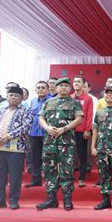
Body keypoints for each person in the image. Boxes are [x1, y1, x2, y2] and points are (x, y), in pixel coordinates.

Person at [36, 77, 83, 211]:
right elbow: (41, 117)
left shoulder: (74, 103)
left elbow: (79, 119)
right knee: (49, 169)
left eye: (66, 86)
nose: (63, 88)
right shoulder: (48, 102)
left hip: (66, 141)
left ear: (70, 89)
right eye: (60, 85)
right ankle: (51, 198)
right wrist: (47, 128)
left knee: (66, 170)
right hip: (50, 140)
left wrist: (64, 129)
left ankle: (67, 199)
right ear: (55, 88)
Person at [0, 86, 32, 210]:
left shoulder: (26, 110)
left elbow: (26, 127)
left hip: (16, 149)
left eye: (16, 96)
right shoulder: (1, 109)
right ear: (7, 97)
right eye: (11, 95)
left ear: (21, 98)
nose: (13, 97)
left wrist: (8, 136)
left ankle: (13, 201)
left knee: (15, 176)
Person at [70, 75, 93, 187]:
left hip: (81, 130)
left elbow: (89, 115)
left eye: (79, 81)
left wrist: (87, 129)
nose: (76, 83)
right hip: (69, 130)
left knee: (82, 154)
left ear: (84, 84)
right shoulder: (70, 98)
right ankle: (68, 176)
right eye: (74, 81)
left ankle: (82, 177)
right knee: (69, 154)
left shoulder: (88, 98)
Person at [26, 81, 50, 187]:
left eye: (43, 87)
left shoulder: (52, 101)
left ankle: (50, 181)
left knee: (48, 158)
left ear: (48, 90)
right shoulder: (33, 101)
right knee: (35, 157)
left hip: (48, 133)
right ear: (35, 90)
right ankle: (36, 180)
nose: (40, 89)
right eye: (38, 87)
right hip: (34, 133)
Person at [84, 81, 98, 173]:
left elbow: (94, 114)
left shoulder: (93, 99)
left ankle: (89, 164)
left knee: (89, 147)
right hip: (77, 126)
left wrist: (90, 127)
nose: (83, 88)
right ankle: (76, 164)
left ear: (89, 88)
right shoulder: (74, 98)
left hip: (90, 126)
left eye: (85, 87)